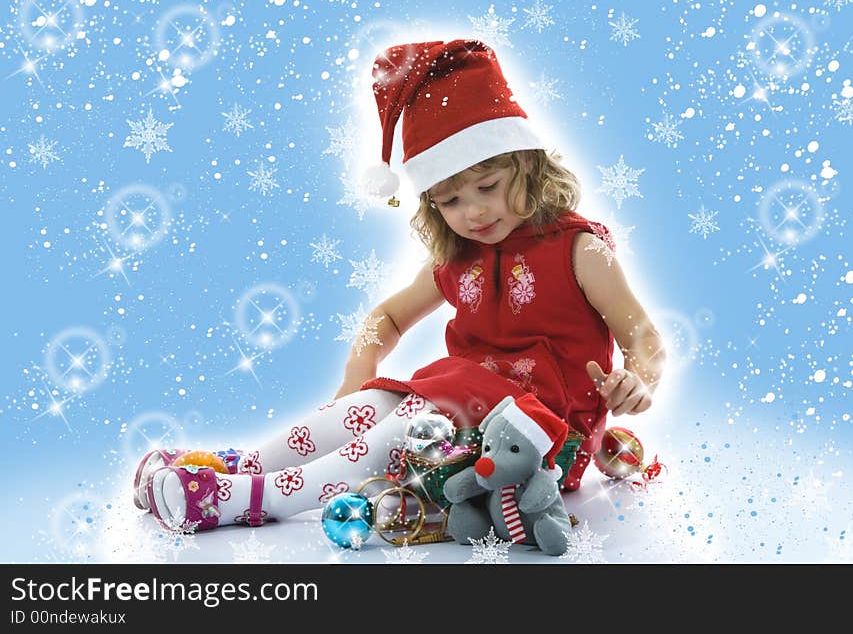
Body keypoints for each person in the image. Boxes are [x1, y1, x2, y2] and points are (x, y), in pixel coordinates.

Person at [136, 39, 665, 532]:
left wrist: (636, 380)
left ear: (527, 165)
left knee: (409, 427)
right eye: (449, 200)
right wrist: (359, 374)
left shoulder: (580, 250)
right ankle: (226, 466)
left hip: (538, 439)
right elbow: (385, 320)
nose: (473, 212)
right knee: (377, 406)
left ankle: (248, 500)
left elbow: (644, 336)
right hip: (460, 401)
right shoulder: (460, 257)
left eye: (487, 187)